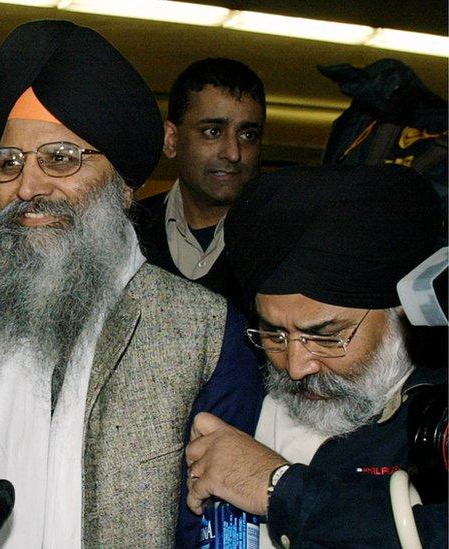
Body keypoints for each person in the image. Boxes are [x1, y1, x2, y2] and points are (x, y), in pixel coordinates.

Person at [0, 20, 263, 547]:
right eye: (9, 163)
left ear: (124, 186)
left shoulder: (206, 333)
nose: (28, 186)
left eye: (61, 159)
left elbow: (219, 525)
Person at [185, 164, 447, 548]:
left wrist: (279, 490)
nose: (295, 366)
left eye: (326, 337)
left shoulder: (436, 418)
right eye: (274, 333)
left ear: (401, 315)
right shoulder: (238, 392)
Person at [133, 58, 265, 302]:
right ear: (171, 140)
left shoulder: (281, 240)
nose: (234, 152)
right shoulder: (126, 231)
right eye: (213, 132)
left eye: (248, 135)